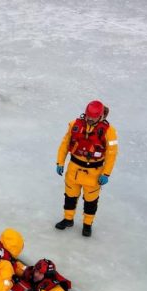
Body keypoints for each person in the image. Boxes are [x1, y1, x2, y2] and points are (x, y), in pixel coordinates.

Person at [55, 100, 118, 238]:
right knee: (70, 196)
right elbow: (65, 144)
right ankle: (68, 219)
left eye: (94, 117)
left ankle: (87, 224)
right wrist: (60, 162)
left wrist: (106, 173)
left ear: (101, 116)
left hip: (94, 173)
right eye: (88, 116)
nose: (90, 120)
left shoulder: (109, 132)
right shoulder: (74, 125)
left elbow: (112, 154)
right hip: (74, 169)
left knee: (91, 201)